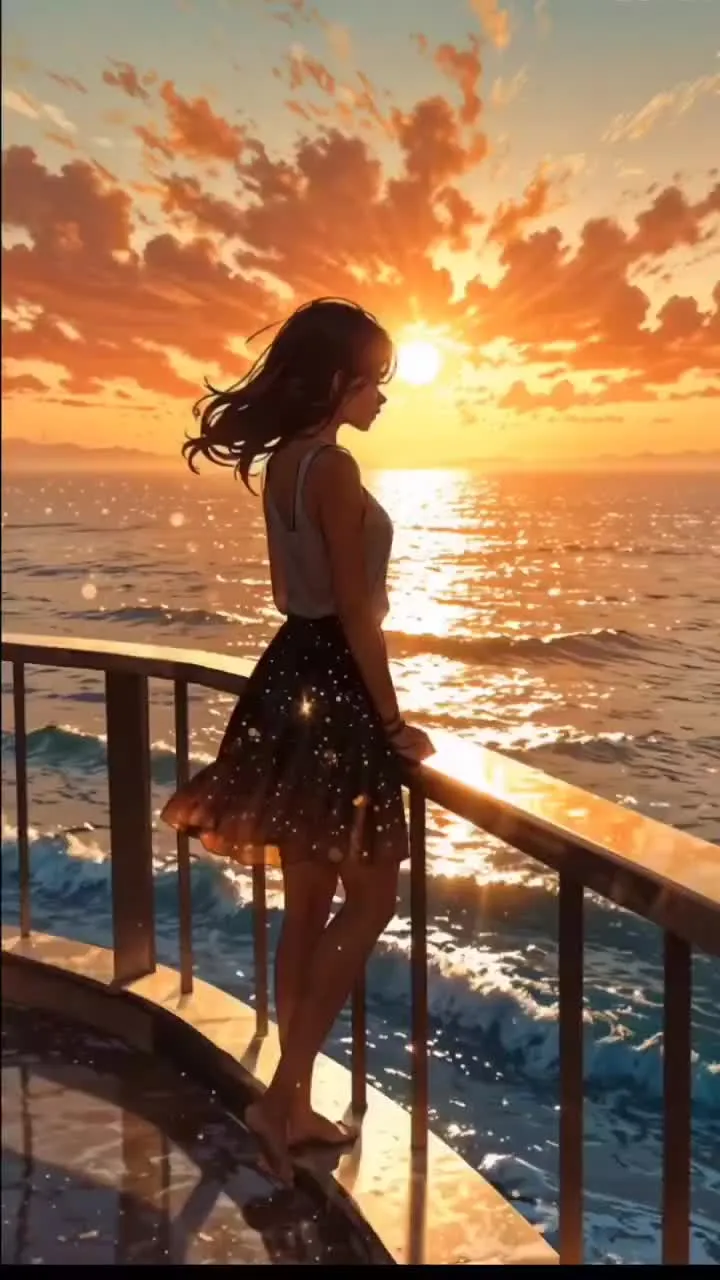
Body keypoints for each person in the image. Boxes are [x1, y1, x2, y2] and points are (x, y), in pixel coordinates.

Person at [161, 296, 434, 1184]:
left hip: (289, 675)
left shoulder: (287, 462)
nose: (383, 397)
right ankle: (283, 1097)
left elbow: (299, 592)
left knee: (311, 896)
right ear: (336, 383)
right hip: (334, 686)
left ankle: (290, 1101)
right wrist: (391, 722)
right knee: (373, 894)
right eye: (373, 380)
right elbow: (356, 609)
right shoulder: (336, 470)